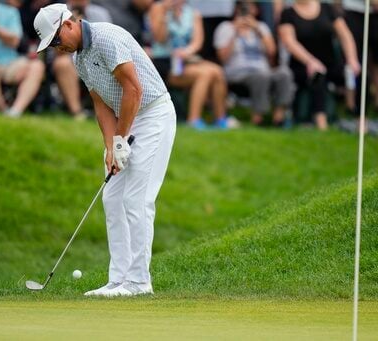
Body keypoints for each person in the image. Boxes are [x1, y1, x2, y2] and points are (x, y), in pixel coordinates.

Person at [34, 3, 176, 296]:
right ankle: (119, 279)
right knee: (112, 198)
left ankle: (139, 282)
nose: (57, 48)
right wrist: (111, 147)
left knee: (137, 199)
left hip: (152, 114)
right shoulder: (78, 58)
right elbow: (101, 105)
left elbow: (133, 90)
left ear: (68, 25)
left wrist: (122, 139)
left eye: (56, 40)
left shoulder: (107, 38)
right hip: (126, 120)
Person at [278, 0, 360, 130]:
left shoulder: (327, 9)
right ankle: (322, 123)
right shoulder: (288, 13)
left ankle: (359, 118)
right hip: (302, 65)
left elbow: (345, 35)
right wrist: (310, 61)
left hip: (331, 63)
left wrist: (352, 59)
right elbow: (289, 42)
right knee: (318, 75)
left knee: (358, 74)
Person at [148, 0, 229, 129]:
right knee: (205, 74)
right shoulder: (158, 8)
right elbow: (159, 38)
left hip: (185, 59)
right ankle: (193, 119)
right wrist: (165, 13)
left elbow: (197, 41)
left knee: (217, 71)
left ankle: (220, 119)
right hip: (164, 61)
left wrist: (186, 51)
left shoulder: (193, 13)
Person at [214, 0, 294, 126]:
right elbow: (222, 58)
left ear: (256, 10)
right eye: (243, 7)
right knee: (261, 76)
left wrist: (257, 30)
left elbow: (272, 52)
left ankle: (279, 119)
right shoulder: (225, 27)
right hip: (238, 75)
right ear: (236, 9)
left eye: (251, 7)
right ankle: (258, 119)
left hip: (263, 70)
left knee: (284, 73)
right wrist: (235, 32)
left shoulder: (261, 27)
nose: (247, 11)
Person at [51, 0, 112, 120]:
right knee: (61, 64)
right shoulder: (60, 14)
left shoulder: (101, 13)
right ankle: (77, 113)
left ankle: (107, 112)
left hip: (98, 59)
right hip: (71, 60)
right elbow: (58, 51)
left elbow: (108, 42)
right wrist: (73, 28)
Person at [342, 0, 378, 111]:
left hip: (375, 14)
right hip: (354, 10)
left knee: (376, 62)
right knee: (354, 62)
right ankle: (352, 106)